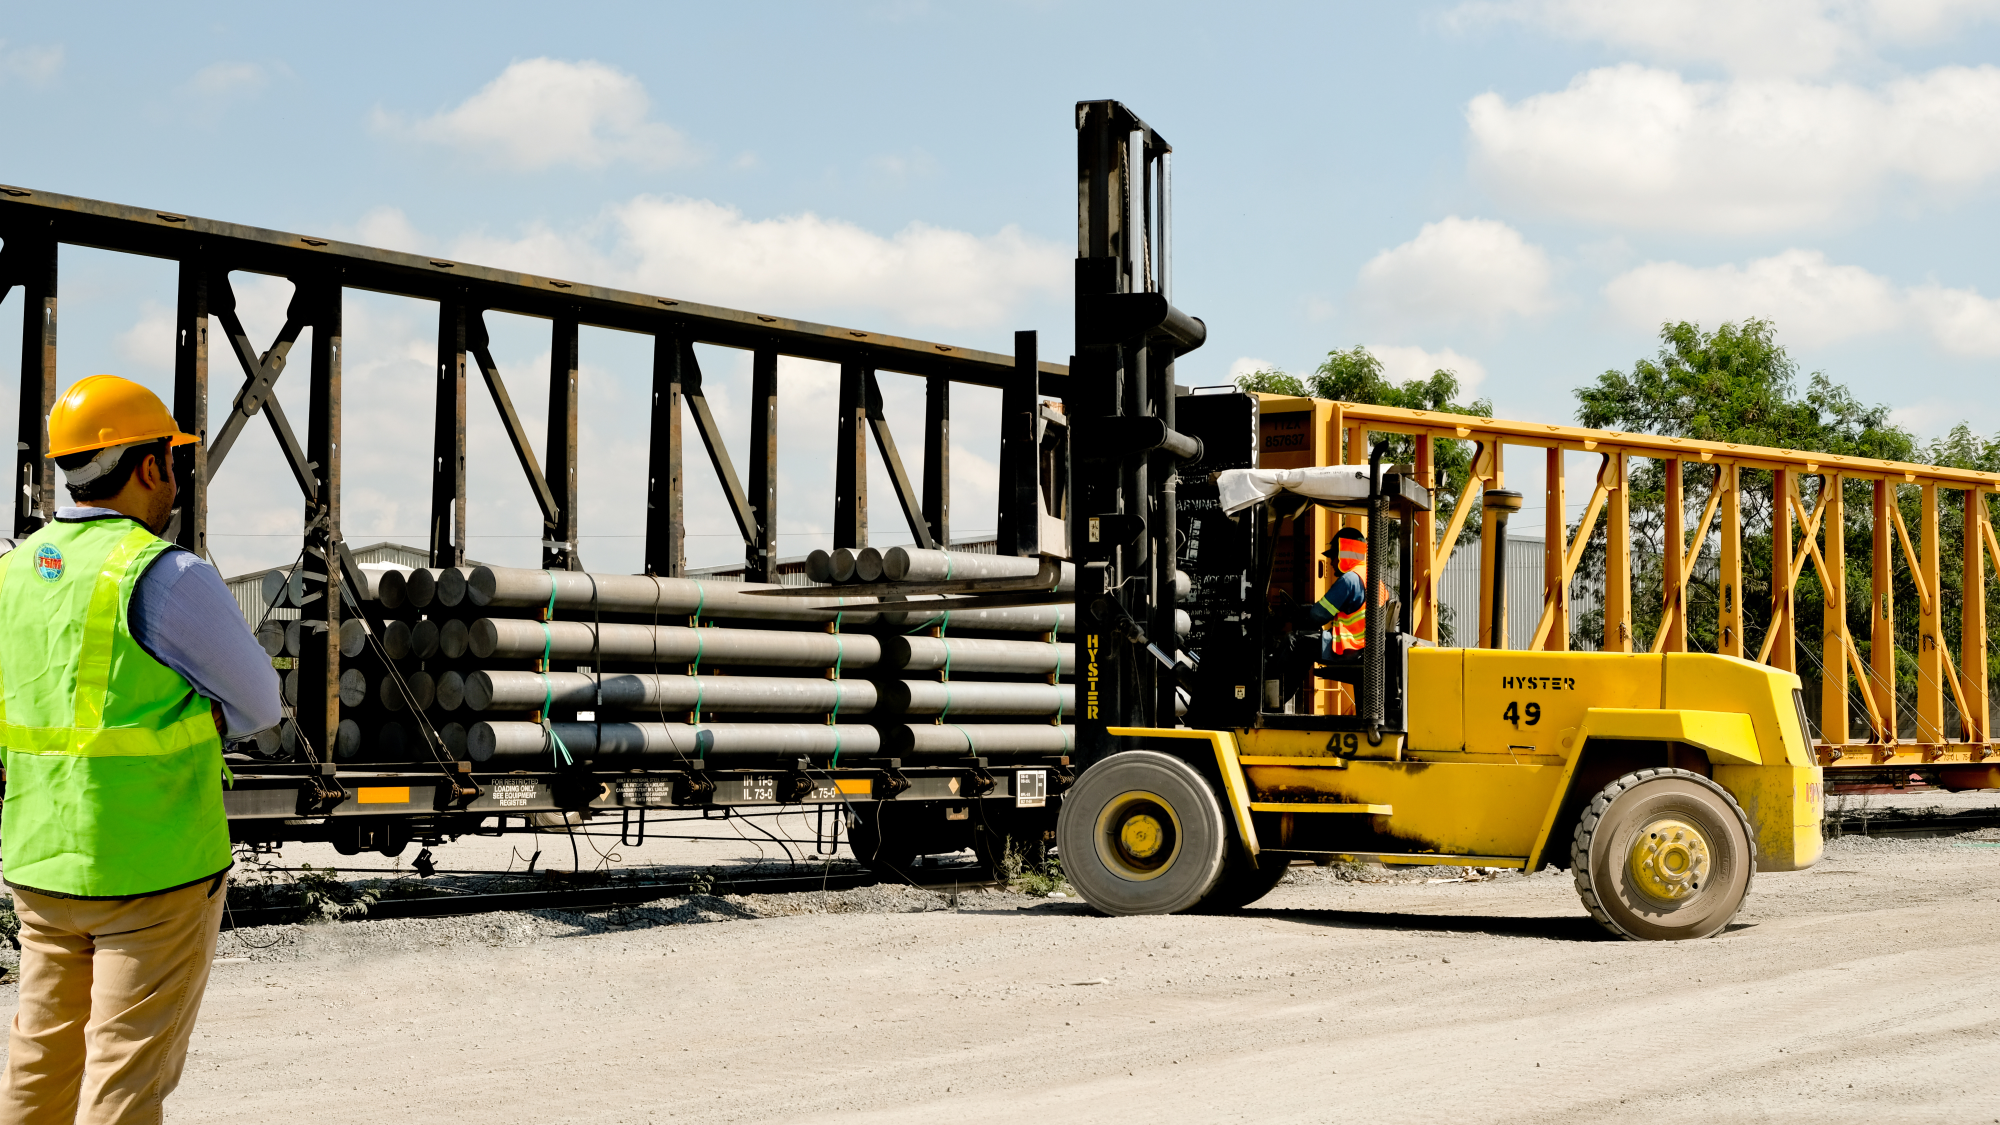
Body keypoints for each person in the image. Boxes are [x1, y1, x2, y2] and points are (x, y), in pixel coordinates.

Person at [0, 375, 281, 1125]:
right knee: (122, 1084)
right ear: (150, 466)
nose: (177, 480)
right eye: (174, 462)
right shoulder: (162, 573)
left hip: (42, 864)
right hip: (152, 871)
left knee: (39, 1070)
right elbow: (261, 702)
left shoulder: (13, 573)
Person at [1304, 527, 1373, 664]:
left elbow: (1317, 616)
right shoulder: (1368, 576)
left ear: (1343, 554)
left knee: (1293, 641)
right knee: (1304, 643)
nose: (1330, 563)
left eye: (1333, 556)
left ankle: (1270, 684)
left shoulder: (1349, 580)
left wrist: (1300, 613)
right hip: (1364, 647)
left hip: (1349, 647)